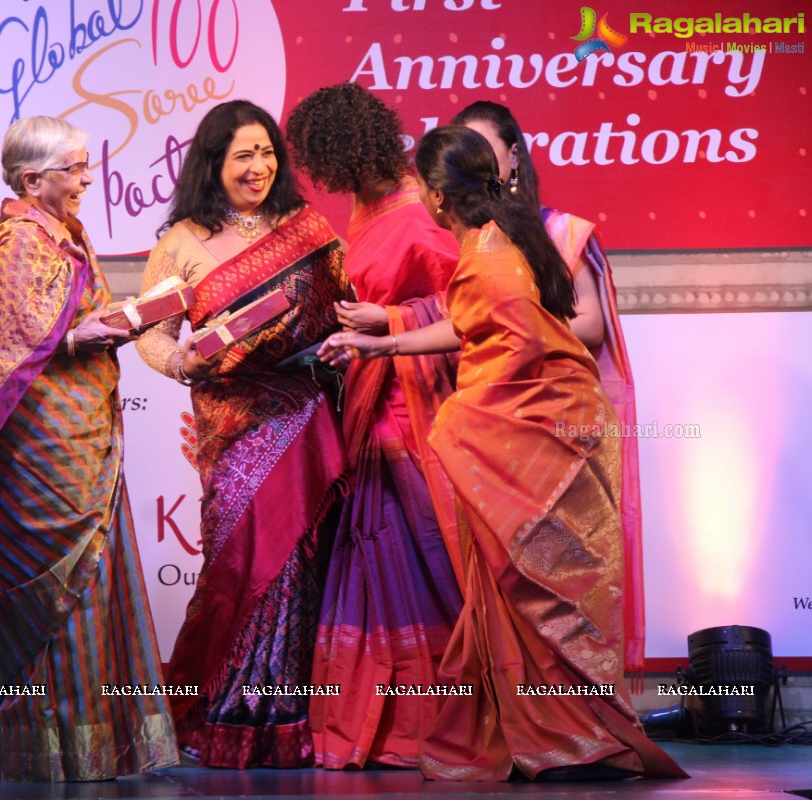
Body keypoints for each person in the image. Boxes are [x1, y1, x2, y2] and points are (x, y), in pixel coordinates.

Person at [319, 126, 686, 781]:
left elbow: (516, 353)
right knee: (533, 593)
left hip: (535, 439)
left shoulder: (487, 257)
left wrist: (457, 420)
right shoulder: (502, 241)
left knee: (540, 592)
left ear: (435, 197)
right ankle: (553, 736)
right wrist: (382, 344)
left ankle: (576, 741)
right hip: (550, 430)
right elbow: (477, 330)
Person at [0, 116, 178, 782]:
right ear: (32, 180)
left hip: (82, 433)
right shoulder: (20, 243)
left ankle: (95, 748)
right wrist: (88, 334)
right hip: (40, 446)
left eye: (84, 166)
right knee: (58, 589)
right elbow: (9, 351)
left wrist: (126, 319)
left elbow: (71, 324)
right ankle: (48, 752)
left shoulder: (65, 234)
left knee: (94, 579)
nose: (86, 179)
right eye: (74, 169)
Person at [135, 100, 351, 769]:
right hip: (230, 416)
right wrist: (180, 362)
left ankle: (293, 715)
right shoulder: (180, 243)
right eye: (242, 157)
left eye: (266, 154)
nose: (258, 168)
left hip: (305, 408)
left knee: (302, 561)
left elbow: (344, 302)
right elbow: (150, 331)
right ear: (213, 164)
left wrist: (343, 342)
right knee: (246, 558)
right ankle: (229, 711)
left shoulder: (306, 226)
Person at [285, 83, 463, 769]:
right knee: (374, 553)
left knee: (416, 551)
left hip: (413, 409)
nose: (326, 181)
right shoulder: (367, 205)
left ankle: (441, 721)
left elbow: (469, 311)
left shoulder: (425, 213)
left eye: (325, 162)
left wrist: (386, 325)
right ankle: (382, 727)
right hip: (367, 391)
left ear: (348, 152)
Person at [453, 101, 646, 680]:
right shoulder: (472, 240)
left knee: (559, 568)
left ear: (514, 158)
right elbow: (463, 323)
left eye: (489, 155)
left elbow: (589, 324)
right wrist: (387, 335)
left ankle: (576, 713)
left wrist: (519, 321)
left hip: (553, 423)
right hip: (496, 427)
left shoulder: (556, 230)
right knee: (506, 570)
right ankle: (521, 710)